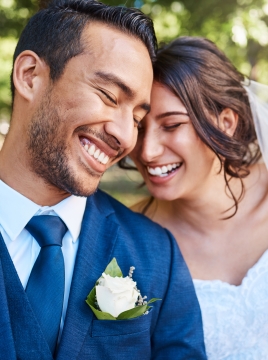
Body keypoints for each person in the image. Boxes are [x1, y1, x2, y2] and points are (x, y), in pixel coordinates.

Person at [0, 1, 207, 359]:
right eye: (109, 96)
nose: (126, 137)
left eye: (138, 119)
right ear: (30, 75)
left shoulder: (157, 255)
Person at [129, 36, 268, 359]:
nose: (147, 151)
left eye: (172, 124)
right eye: (138, 126)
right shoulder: (131, 238)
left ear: (227, 122)